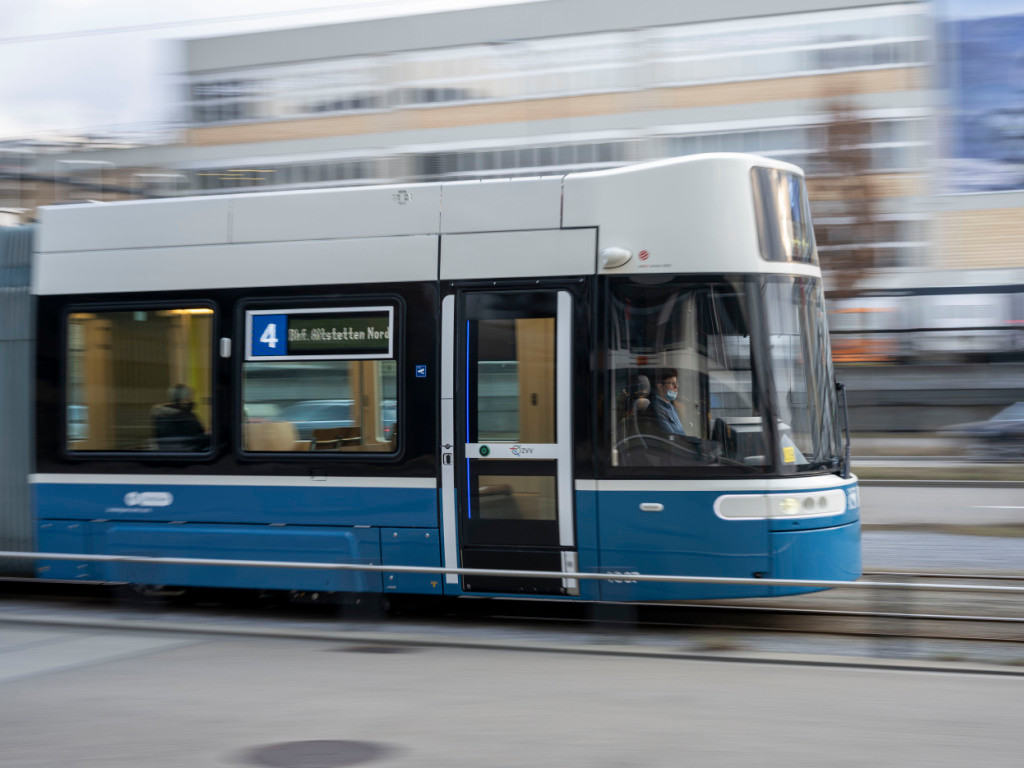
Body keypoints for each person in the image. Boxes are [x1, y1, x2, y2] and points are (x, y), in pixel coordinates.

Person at [151, 384, 209, 451]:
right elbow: (198, 437)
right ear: (182, 399)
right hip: (188, 453)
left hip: (167, 453)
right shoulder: (184, 416)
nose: (190, 400)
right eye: (188, 398)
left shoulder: (161, 415)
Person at [652, 368, 686, 436]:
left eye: (676, 383)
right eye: (672, 383)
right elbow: (671, 437)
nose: (676, 386)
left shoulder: (672, 407)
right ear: (660, 387)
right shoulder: (657, 409)